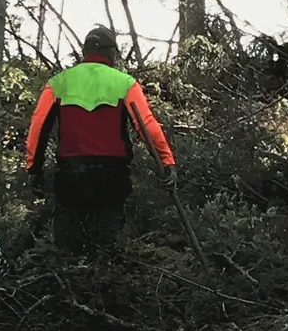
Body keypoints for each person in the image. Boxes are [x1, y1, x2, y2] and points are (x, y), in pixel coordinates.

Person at [24, 25, 177, 256]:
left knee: (67, 245)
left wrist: (33, 169)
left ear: (85, 51)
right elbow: (147, 125)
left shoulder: (59, 83)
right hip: (111, 176)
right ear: (111, 53)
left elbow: (38, 126)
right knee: (106, 243)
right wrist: (166, 162)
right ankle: (102, 283)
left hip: (70, 175)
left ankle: (67, 283)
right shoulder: (124, 83)